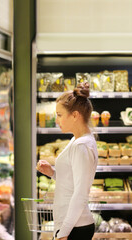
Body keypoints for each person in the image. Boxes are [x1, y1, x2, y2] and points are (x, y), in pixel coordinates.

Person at [37, 82, 98, 240]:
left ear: (75, 115)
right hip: (72, 227)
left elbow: (80, 194)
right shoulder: (77, 141)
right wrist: (52, 173)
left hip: (75, 229)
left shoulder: (81, 146)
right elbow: (72, 180)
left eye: (59, 115)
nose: (57, 121)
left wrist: (63, 232)